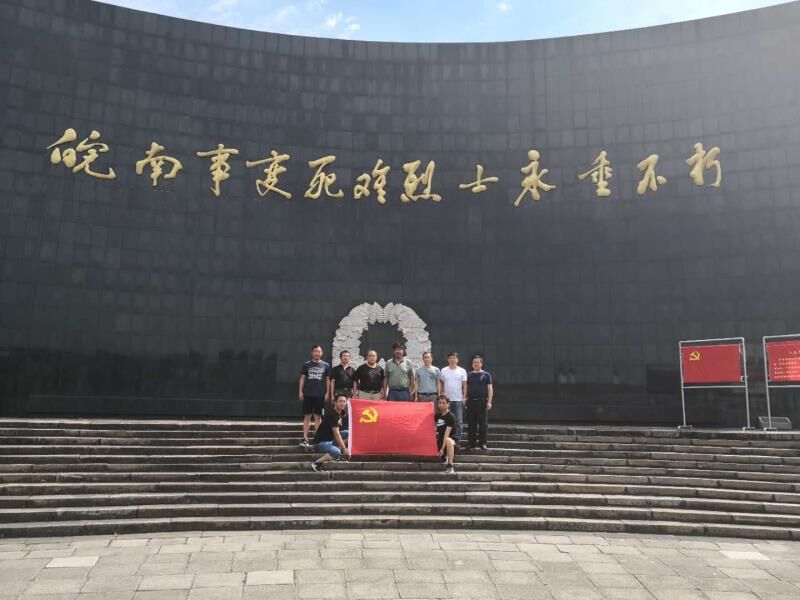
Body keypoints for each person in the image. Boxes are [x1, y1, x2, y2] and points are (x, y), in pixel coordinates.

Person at [298, 344, 330, 447]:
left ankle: (317, 438)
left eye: (319, 351)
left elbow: (328, 380)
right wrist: (300, 391)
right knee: (307, 416)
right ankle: (305, 438)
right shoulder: (306, 364)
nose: (317, 353)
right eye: (315, 351)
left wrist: (327, 392)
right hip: (308, 394)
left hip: (320, 395)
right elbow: (302, 378)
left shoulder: (326, 365)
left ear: (322, 353)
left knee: (318, 417)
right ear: (312, 353)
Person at [311, 394, 350, 472]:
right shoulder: (332, 415)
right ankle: (317, 463)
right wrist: (344, 449)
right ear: (335, 402)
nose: (342, 403)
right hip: (321, 443)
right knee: (337, 452)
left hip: (330, 439)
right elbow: (336, 434)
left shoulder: (341, 413)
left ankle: (337, 456)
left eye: (344, 401)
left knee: (348, 433)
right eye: (340, 401)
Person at [438, 352, 467, 444]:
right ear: (448, 359)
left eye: (454, 358)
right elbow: (441, 383)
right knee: (446, 420)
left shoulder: (462, 371)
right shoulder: (443, 370)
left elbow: (465, 385)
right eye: (450, 358)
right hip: (446, 400)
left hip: (458, 399)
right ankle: (445, 440)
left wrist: (464, 397)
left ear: (457, 360)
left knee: (458, 421)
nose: (452, 359)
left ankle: (456, 441)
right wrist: (440, 395)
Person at [466, 354, 494, 450]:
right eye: (474, 362)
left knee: (483, 424)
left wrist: (489, 401)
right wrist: (465, 399)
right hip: (471, 402)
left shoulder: (486, 375)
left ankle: (483, 443)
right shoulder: (469, 375)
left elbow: (490, 389)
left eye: (478, 362)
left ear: (481, 364)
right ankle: (471, 443)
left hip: (482, 402)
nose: (476, 364)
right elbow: (467, 388)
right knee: (471, 423)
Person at [435, 395, 457, 474]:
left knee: (448, 440)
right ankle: (444, 457)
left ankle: (450, 465)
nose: (441, 405)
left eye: (444, 403)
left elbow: (446, 434)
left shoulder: (451, 416)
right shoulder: (437, 416)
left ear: (448, 404)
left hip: (451, 442)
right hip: (440, 441)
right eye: (440, 403)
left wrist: (442, 448)